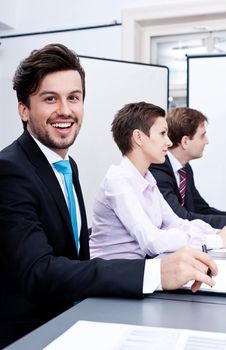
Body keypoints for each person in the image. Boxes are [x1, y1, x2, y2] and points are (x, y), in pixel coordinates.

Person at [0, 44, 218, 349]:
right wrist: (154, 272)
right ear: (23, 109)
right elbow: (40, 271)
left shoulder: (65, 165)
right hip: (32, 332)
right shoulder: (10, 169)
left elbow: (73, 256)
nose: (65, 110)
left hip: (77, 311)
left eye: (73, 98)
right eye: (50, 99)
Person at [90, 102, 226, 260]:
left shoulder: (147, 178)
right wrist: (216, 240)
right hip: (112, 275)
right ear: (139, 137)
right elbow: (153, 241)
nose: (168, 142)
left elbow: (178, 223)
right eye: (162, 134)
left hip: (140, 269)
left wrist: (216, 233)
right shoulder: (117, 181)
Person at [149, 107, 226, 229]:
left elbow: (201, 208)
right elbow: (180, 216)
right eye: (202, 136)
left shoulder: (185, 168)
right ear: (185, 141)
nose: (207, 141)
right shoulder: (158, 169)